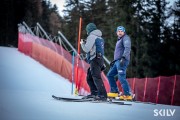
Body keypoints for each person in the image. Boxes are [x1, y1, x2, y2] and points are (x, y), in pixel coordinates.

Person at [80, 23, 107, 100]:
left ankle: (102, 95)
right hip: (99, 59)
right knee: (90, 77)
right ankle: (94, 93)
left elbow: (86, 49)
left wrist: (82, 43)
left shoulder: (91, 36)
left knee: (96, 77)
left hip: (94, 59)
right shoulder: (99, 37)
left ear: (89, 30)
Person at [107, 26, 132, 100]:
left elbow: (127, 48)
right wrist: (114, 60)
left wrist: (123, 58)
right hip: (117, 61)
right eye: (118, 31)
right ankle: (114, 91)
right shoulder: (119, 40)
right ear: (116, 32)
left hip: (122, 60)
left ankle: (127, 94)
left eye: (121, 31)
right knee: (110, 75)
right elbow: (119, 52)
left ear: (124, 32)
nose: (120, 32)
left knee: (121, 77)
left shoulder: (126, 38)